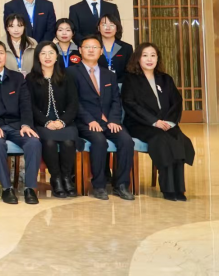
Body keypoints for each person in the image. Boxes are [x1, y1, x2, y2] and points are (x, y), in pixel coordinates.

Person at [122, 43, 195, 201]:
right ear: (138, 58)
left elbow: (177, 102)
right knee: (162, 140)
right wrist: (154, 121)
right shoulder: (131, 79)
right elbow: (130, 104)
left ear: (157, 58)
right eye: (145, 55)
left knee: (179, 139)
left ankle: (179, 189)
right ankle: (168, 189)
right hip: (141, 124)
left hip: (166, 123)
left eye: (153, 55)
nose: (149, 59)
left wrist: (169, 122)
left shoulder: (165, 79)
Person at [0, 40, 41, 205]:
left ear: (6, 56)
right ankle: (6, 188)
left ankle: (30, 188)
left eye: (1, 53)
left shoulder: (17, 78)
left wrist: (26, 124)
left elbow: (25, 104)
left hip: (17, 124)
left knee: (34, 142)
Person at [68, 34, 134, 201]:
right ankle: (99, 185)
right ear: (80, 50)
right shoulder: (71, 72)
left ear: (101, 51)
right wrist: (90, 120)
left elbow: (116, 100)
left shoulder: (109, 74)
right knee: (99, 141)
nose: (91, 50)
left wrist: (114, 120)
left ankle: (121, 185)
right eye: (87, 47)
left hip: (108, 121)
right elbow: (73, 101)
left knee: (126, 140)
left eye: (95, 47)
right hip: (85, 122)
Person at [26, 42, 79, 198]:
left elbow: (73, 103)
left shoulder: (67, 76)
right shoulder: (31, 79)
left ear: (57, 56)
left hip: (65, 122)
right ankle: (55, 179)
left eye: (51, 53)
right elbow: (30, 105)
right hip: (42, 123)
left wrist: (62, 121)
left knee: (68, 142)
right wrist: (46, 122)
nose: (47, 57)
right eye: (43, 53)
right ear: (38, 57)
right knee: (49, 142)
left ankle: (66, 178)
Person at [97, 13, 133, 84]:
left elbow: (130, 70)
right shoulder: (93, 47)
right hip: (98, 85)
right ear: (98, 28)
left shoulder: (126, 48)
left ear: (117, 28)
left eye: (112, 25)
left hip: (121, 85)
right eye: (104, 25)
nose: (108, 28)